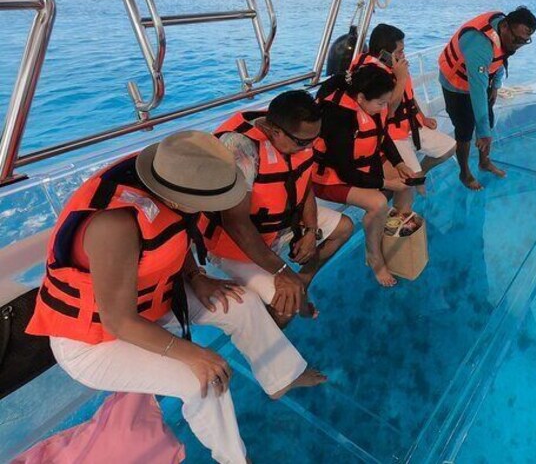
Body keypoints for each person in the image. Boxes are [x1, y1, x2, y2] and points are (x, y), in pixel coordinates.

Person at [26, 131, 325, 464]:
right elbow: (118, 321)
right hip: (96, 338)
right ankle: (234, 458)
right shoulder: (114, 225)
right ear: (181, 197)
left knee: (243, 304)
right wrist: (193, 353)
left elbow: (172, 233)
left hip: (157, 299)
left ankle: (282, 377)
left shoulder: (176, 179)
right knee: (203, 378)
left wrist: (196, 277)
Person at [201, 90, 354, 327]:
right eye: (303, 142)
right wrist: (283, 271)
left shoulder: (297, 136)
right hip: (236, 243)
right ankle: (275, 326)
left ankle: (302, 282)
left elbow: (303, 183)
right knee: (287, 307)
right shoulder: (239, 149)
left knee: (344, 228)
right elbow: (236, 224)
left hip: (281, 222)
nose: (310, 146)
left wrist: (311, 231)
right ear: (275, 131)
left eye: (314, 138)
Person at [312, 64, 418, 287]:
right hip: (332, 177)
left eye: (386, 103)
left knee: (407, 183)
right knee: (378, 203)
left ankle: (391, 235)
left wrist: (399, 164)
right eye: (381, 103)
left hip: (361, 166)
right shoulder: (338, 117)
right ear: (360, 97)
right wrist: (387, 183)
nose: (384, 108)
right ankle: (374, 255)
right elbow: (346, 172)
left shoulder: (372, 107)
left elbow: (382, 136)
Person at [438, 7, 536, 190]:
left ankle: (484, 162)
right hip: (456, 84)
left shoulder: (506, 33)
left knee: (487, 119)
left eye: (524, 41)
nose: (518, 45)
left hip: (482, 78)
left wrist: (496, 86)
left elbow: (501, 58)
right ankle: (464, 173)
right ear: (505, 27)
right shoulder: (480, 45)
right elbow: (477, 91)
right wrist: (483, 133)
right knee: (465, 129)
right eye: (516, 40)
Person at [353, 24, 456, 183]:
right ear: (384, 54)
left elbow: (409, 96)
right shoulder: (373, 76)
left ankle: (421, 172)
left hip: (410, 125)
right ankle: (410, 183)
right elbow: (389, 111)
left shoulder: (396, 66)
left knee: (449, 147)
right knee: (410, 179)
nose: (403, 55)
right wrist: (400, 78)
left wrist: (423, 118)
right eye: (400, 51)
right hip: (392, 133)